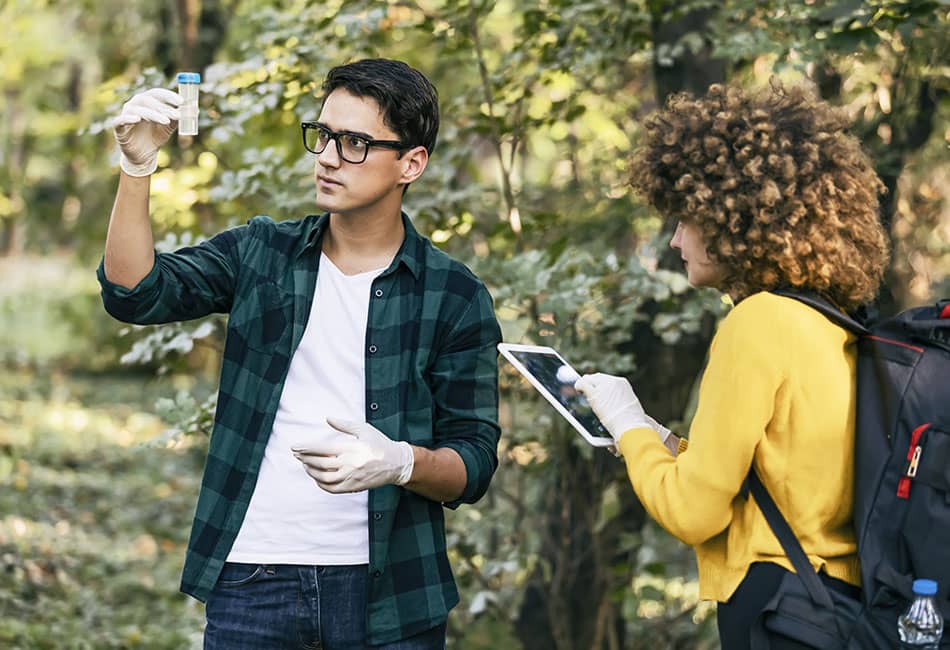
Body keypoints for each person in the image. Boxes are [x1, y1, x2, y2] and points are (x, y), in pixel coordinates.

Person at [98, 58, 502, 649]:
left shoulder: (454, 294)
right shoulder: (263, 253)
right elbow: (135, 293)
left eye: (357, 143)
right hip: (254, 578)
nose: (329, 156)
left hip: (392, 595)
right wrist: (137, 168)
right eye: (325, 135)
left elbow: (475, 461)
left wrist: (401, 463)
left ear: (411, 163)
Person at [575, 80, 890, 649]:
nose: (675, 240)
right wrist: (652, 438)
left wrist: (623, 423)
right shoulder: (834, 322)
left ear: (735, 217)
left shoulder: (758, 322)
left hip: (778, 608)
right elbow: (779, 475)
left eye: (686, 219)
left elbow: (693, 511)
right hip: (839, 604)